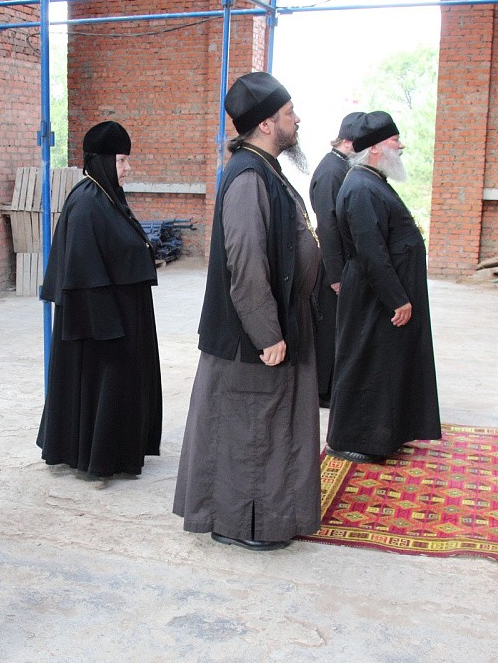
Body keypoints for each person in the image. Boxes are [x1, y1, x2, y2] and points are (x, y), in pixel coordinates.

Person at [172, 72, 322, 552]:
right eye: (289, 113)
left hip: (278, 324)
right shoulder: (247, 177)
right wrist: (266, 332)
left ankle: (266, 518)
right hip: (251, 339)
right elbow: (246, 262)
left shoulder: (265, 169)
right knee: (250, 433)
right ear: (266, 124)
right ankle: (237, 524)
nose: (297, 120)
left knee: (268, 432)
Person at [37, 121, 162, 484]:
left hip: (120, 316)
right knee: (102, 386)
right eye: (121, 161)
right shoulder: (86, 203)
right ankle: (98, 457)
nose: (128, 168)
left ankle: (117, 452)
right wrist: (106, 327)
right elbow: (82, 272)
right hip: (101, 324)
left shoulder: (107, 197)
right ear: (103, 162)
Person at [327, 110, 441, 463]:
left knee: (384, 364)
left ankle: (385, 433)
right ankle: (352, 440)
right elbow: (371, 252)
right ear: (375, 147)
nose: (401, 145)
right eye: (395, 139)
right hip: (372, 296)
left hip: (379, 295)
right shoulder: (361, 187)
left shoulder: (371, 180)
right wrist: (397, 299)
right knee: (366, 364)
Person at [308, 111, 364, 408]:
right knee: (329, 329)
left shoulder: (342, 167)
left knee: (338, 328)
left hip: (340, 264)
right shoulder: (332, 171)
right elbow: (327, 225)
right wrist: (337, 275)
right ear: (349, 142)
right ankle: (323, 390)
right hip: (333, 266)